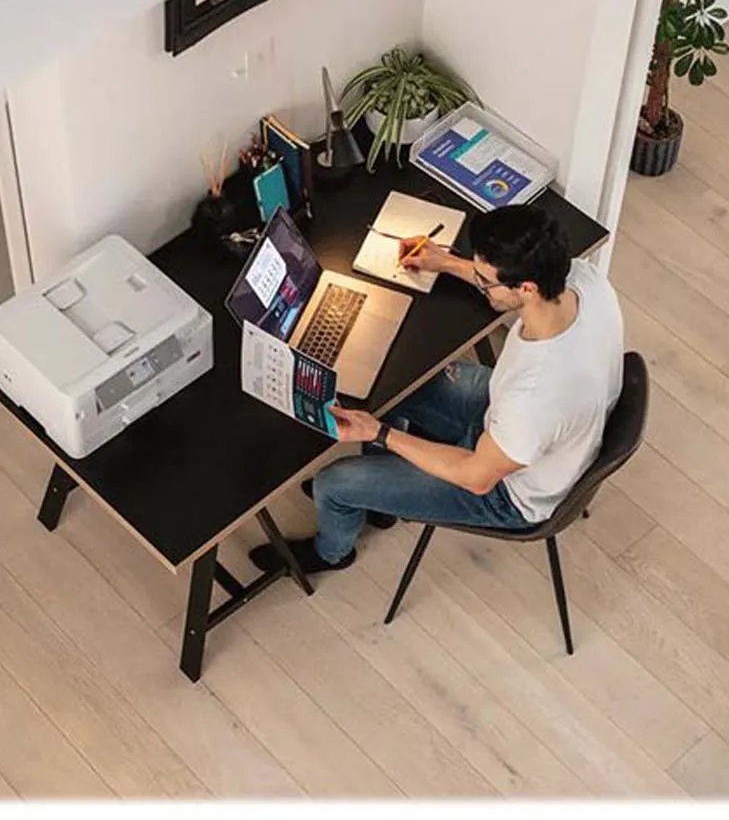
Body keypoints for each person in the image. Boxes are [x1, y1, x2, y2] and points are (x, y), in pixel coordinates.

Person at [248, 203, 624, 576]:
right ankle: (380, 502)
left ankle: (332, 553)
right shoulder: (582, 278)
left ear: (527, 288)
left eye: (484, 279)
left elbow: (477, 477)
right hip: (518, 429)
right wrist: (443, 262)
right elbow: (506, 287)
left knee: (332, 483)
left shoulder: (535, 398)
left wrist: (379, 433)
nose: (481, 285)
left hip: (506, 489)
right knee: (395, 382)